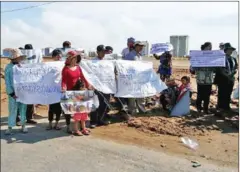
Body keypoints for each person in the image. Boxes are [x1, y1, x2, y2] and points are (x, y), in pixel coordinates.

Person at [61, 50, 90, 134]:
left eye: (76, 57)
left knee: (81, 110)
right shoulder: (65, 69)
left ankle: (82, 128)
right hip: (70, 91)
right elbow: (63, 80)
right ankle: (68, 126)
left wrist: (88, 85)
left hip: (79, 91)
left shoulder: (78, 67)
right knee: (69, 111)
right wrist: (63, 87)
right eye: (73, 57)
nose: (75, 59)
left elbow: (83, 77)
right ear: (69, 59)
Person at [4, 48, 28, 135]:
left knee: (23, 109)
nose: (20, 59)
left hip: (22, 92)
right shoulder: (8, 68)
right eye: (19, 57)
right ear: (14, 58)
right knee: (12, 109)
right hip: (13, 93)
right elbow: (7, 81)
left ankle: (23, 125)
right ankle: (10, 127)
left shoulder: (23, 66)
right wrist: (11, 93)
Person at [90, 45, 112, 126]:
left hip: (106, 86)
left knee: (104, 104)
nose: (104, 53)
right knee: (95, 104)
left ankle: (101, 119)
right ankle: (93, 121)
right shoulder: (92, 62)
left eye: (104, 52)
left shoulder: (108, 61)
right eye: (102, 51)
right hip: (96, 87)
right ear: (97, 52)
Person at [124, 41, 147, 114]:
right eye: (140, 46)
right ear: (135, 46)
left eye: (142, 46)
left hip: (140, 78)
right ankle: (132, 110)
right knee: (132, 95)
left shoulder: (140, 55)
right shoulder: (130, 55)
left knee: (141, 94)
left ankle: (142, 109)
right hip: (132, 78)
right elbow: (125, 66)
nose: (141, 48)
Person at [192, 42, 215, 114]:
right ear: (204, 48)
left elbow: (215, 68)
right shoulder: (198, 56)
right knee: (200, 95)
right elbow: (193, 68)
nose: (210, 49)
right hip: (201, 79)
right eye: (208, 47)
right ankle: (199, 108)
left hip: (209, 80)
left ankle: (206, 109)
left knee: (207, 95)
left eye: (210, 47)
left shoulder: (213, 57)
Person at [215, 43, 238, 112]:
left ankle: (226, 106)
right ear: (226, 50)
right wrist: (226, 75)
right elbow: (219, 69)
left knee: (228, 93)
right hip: (222, 79)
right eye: (229, 50)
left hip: (231, 79)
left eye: (231, 50)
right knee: (222, 92)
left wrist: (233, 72)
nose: (231, 51)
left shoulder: (233, 59)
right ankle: (220, 106)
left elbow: (236, 67)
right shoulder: (221, 58)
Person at [46, 49, 63, 130]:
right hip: (51, 90)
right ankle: (50, 123)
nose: (59, 57)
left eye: (60, 55)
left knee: (59, 108)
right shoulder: (48, 65)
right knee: (51, 108)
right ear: (53, 57)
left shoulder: (63, 65)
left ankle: (57, 123)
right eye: (57, 55)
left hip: (59, 90)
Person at [24, 44, 38, 124]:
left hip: (31, 82)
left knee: (30, 101)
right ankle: (21, 118)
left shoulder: (34, 59)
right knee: (23, 101)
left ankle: (29, 117)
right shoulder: (22, 59)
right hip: (24, 83)